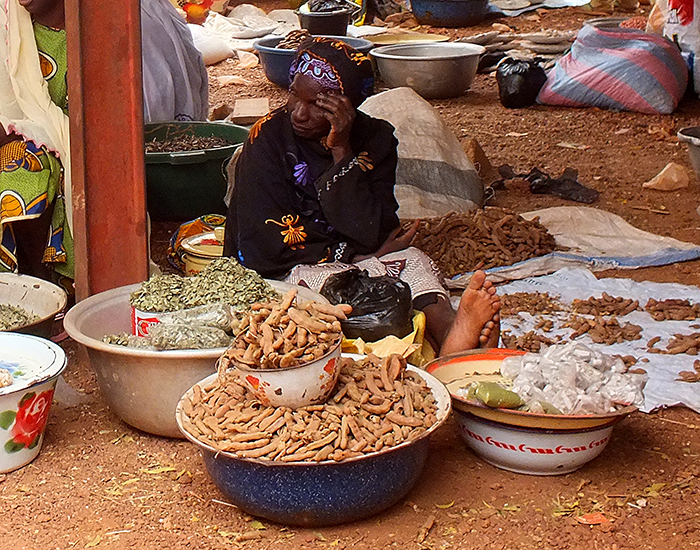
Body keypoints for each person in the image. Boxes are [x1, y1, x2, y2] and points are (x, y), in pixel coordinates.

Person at [224, 37, 499, 355]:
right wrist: (361, 255)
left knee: (413, 262)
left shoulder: (376, 139)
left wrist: (341, 149)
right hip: (291, 267)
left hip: (359, 256)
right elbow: (264, 243)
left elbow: (371, 227)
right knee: (347, 295)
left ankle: (452, 330)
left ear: (348, 106)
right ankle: (436, 342)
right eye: (294, 95)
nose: (299, 113)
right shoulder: (268, 138)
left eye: (318, 105)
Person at [0, 0, 208, 285]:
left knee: (25, 168)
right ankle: (30, 279)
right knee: (19, 159)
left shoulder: (100, 32)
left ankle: (53, 281)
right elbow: (9, 106)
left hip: (88, 145)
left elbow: (114, 123)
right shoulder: (10, 28)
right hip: (31, 136)